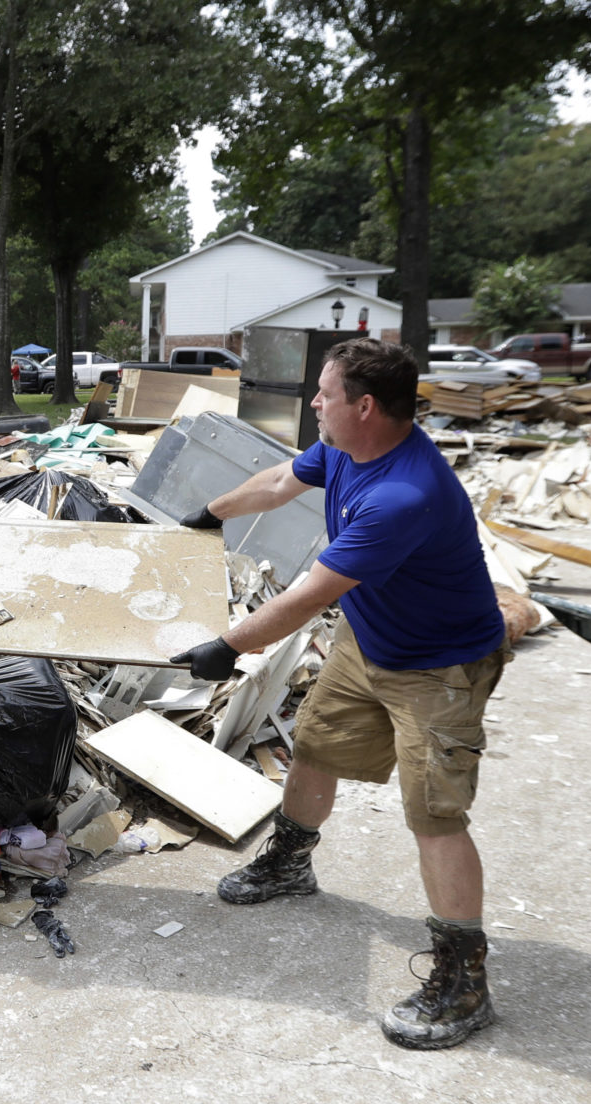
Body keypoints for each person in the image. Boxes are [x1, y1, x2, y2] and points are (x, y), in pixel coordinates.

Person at [168, 339, 508, 1051]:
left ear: (365, 406)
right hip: (370, 637)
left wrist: (226, 648)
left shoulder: (403, 494)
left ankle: (463, 978)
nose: (314, 404)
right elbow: (277, 483)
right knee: (315, 749)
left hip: (440, 667)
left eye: (325, 394)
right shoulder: (345, 449)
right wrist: (212, 513)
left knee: (434, 815)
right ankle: (290, 861)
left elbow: (306, 595)